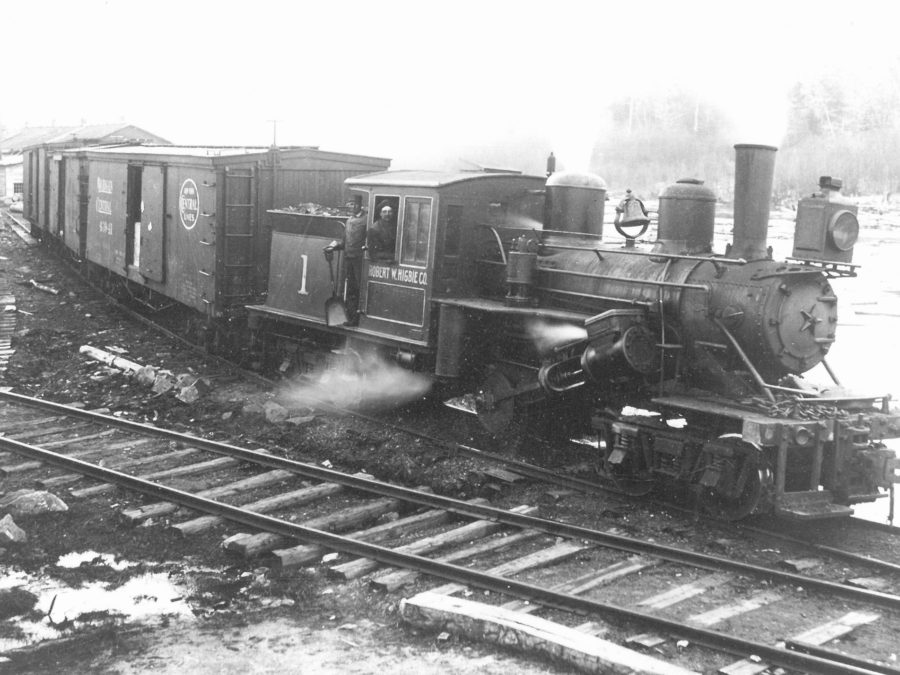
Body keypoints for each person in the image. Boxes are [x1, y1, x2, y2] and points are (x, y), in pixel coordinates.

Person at [324, 200, 367, 325]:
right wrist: (334, 246)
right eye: (350, 205)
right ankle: (350, 317)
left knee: (360, 288)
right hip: (349, 260)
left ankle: (357, 319)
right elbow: (344, 242)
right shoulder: (349, 221)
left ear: (360, 206)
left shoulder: (366, 220)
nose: (352, 207)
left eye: (355, 205)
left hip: (360, 261)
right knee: (352, 289)